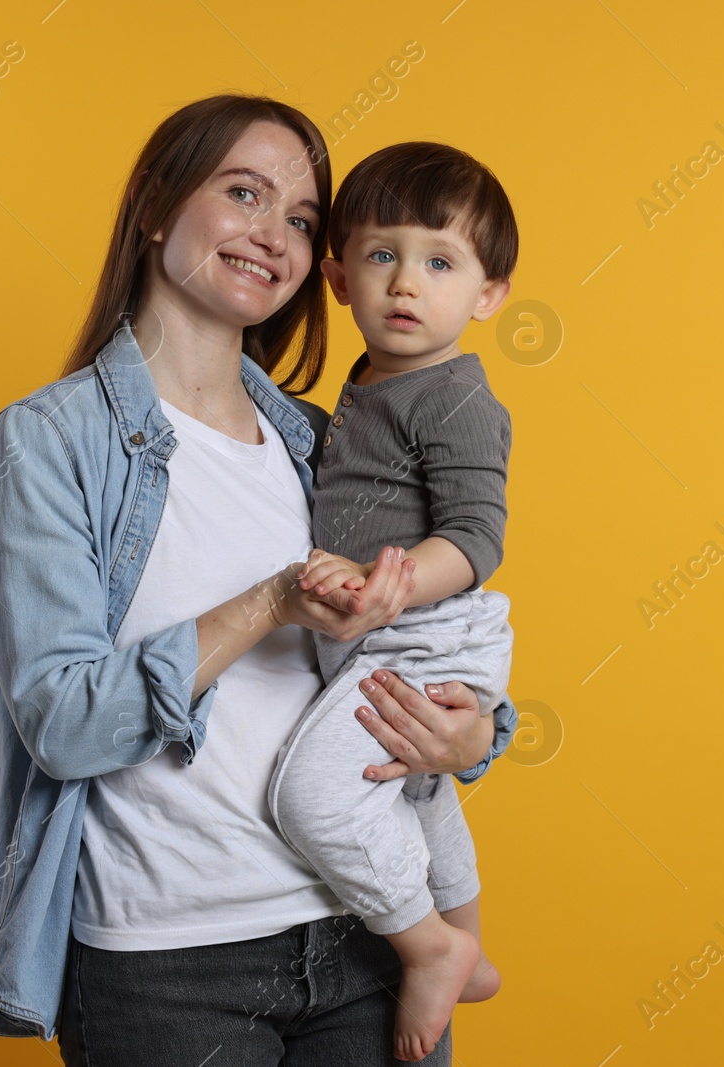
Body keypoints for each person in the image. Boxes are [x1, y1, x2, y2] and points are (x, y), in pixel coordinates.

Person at [0, 94, 519, 1066]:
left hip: (366, 935)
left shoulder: (322, 439)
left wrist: (472, 732)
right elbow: (60, 720)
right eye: (243, 193)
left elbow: (422, 628)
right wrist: (270, 600)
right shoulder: (49, 443)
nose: (273, 234)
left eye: (302, 220)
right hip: (167, 966)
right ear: (154, 205)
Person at [267, 141, 517, 1062]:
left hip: (425, 632)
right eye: (382, 257)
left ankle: (428, 943)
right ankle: (469, 941)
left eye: (440, 263)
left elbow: (477, 536)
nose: (406, 284)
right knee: (414, 797)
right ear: (336, 277)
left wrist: (388, 581)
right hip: (392, 631)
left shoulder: (453, 395)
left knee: (314, 796)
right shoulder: (372, 379)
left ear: (488, 294)